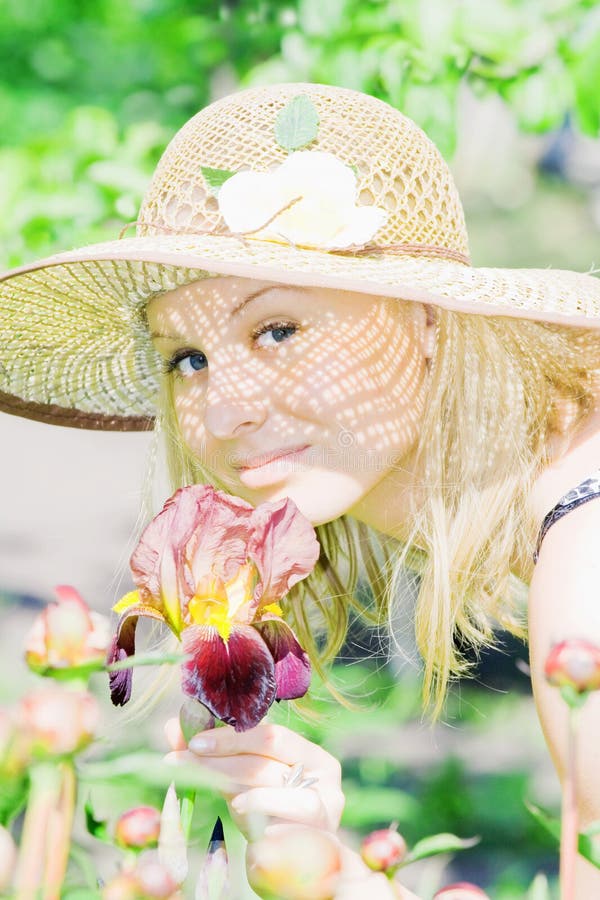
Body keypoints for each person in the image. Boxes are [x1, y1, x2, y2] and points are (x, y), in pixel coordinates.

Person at [1, 82, 599, 898]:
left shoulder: (586, 560)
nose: (225, 408)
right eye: (188, 359)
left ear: (425, 319)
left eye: (277, 329)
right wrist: (334, 874)